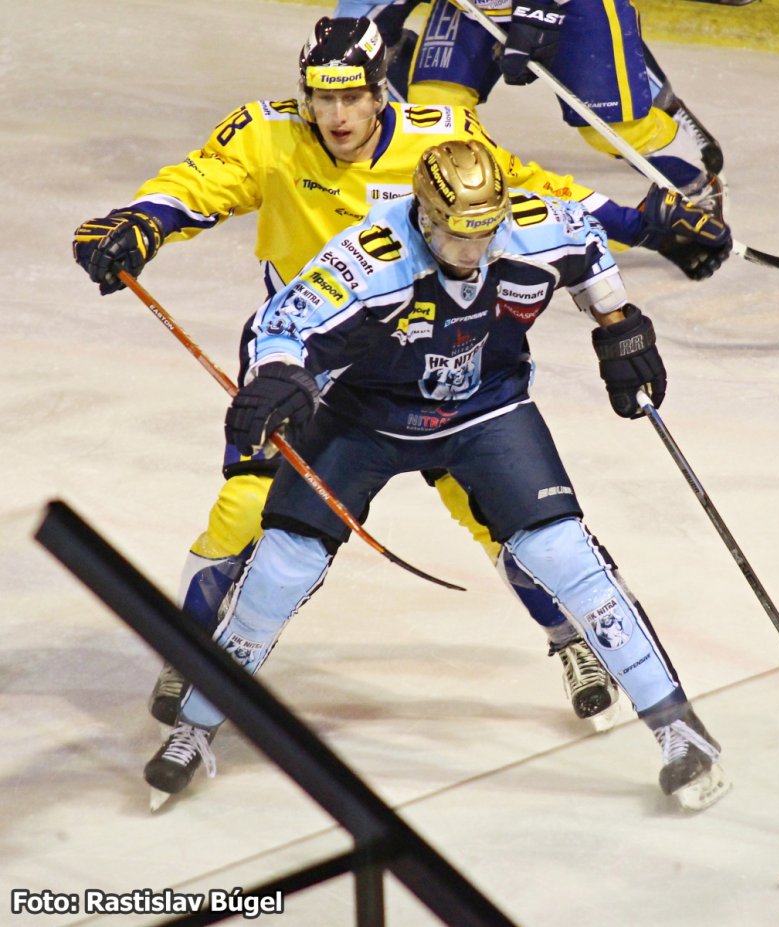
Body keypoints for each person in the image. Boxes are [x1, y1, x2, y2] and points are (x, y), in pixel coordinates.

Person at [72, 18, 732, 735]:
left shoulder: (440, 137)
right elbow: (199, 181)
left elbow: (531, 194)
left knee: (497, 512)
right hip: (311, 363)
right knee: (247, 506)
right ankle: (191, 651)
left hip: (436, 350)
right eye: (323, 98)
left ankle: (574, 639)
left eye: (352, 97)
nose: (337, 116)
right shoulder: (267, 134)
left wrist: (644, 224)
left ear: (380, 91)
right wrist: (141, 220)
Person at [143, 138, 731, 815]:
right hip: (363, 418)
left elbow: (589, 247)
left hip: (485, 410)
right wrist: (277, 376)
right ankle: (196, 725)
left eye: (484, 231)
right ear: (423, 214)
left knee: (563, 553)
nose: (471, 248)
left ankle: (679, 729)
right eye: (455, 232)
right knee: (281, 566)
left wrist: (619, 326)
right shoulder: (370, 257)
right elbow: (280, 325)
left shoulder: (535, 225)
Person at [336, 0, 726, 211]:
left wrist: (537, 13)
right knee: (436, 108)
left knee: (613, 128)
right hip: (471, 9)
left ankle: (697, 187)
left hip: (573, 5)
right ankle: (459, 208)